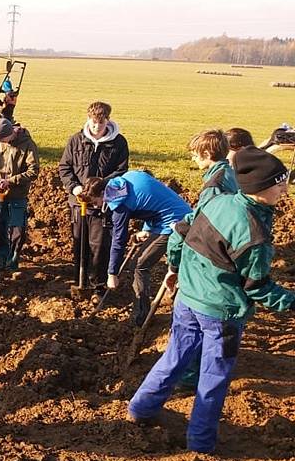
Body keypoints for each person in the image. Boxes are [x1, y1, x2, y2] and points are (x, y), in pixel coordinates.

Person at [128, 147, 295, 453]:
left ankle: (141, 408)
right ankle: (201, 444)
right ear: (259, 187)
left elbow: (180, 230)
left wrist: (174, 267)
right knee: (213, 377)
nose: (285, 189)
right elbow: (257, 287)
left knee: (174, 357)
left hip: (188, 299)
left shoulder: (217, 200)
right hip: (222, 314)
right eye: (280, 183)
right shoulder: (254, 234)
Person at [169, 130, 239, 390]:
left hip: (208, 260)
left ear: (207, 154)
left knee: (195, 320)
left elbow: (202, 224)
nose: (192, 157)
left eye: (194, 153)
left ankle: (189, 377)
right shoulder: (226, 173)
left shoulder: (215, 184)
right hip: (220, 254)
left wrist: (176, 262)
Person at [78, 170, 191, 326]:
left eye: (95, 201)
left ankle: (140, 317)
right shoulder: (126, 179)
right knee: (138, 262)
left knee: (139, 265)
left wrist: (112, 273)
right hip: (176, 216)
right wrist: (147, 229)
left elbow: (119, 239)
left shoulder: (118, 202)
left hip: (174, 224)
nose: (96, 206)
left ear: (104, 192)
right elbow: (151, 200)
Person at [58, 101, 129, 290]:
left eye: (101, 123)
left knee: (99, 246)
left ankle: (97, 283)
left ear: (108, 120)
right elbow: (65, 167)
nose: (96, 127)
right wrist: (74, 187)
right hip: (78, 203)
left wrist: (100, 186)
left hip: (100, 205)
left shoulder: (118, 143)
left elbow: (121, 171)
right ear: (88, 119)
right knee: (79, 244)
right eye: (93, 122)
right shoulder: (76, 140)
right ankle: (78, 281)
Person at [0, 118, 40, 270]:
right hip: (0, 194)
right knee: (0, 226)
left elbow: (33, 171)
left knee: (17, 229)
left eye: (3, 138)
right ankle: (1, 257)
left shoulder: (28, 145)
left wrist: (11, 181)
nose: (1, 141)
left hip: (17, 195)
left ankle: (13, 259)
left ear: (11, 133)